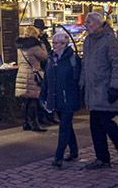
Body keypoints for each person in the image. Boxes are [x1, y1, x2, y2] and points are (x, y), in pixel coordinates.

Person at [79, 11, 118, 169]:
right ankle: (102, 158)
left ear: (99, 24)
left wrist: (114, 86)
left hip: (105, 88)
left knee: (107, 122)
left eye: (89, 22)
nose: (86, 25)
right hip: (92, 90)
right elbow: (85, 63)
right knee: (95, 126)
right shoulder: (88, 41)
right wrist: (82, 83)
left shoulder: (109, 40)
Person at [41, 30, 81, 168]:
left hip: (68, 97)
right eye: (54, 43)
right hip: (55, 97)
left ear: (65, 44)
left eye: (59, 43)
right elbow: (47, 79)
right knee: (66, 125)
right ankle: (74, 150)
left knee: (64, 126)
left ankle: (58, 156)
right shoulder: (51, 59)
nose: (55, 45)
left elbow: (78, 80)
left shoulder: (73, 59)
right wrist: (44, 94)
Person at [15, 25, 48, 132]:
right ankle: (34, 123)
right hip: (32, 75)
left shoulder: (20, 47)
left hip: (22, 73)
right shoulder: (34, 47)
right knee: (33, 99)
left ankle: (26, 123)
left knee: (26, 101)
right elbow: (45, 56)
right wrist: (42, 44)